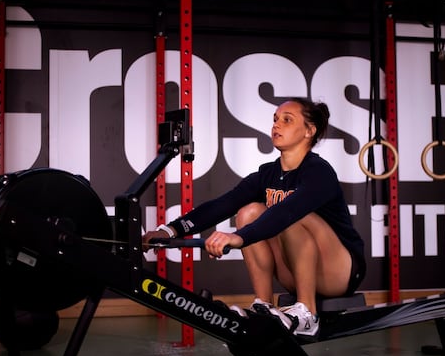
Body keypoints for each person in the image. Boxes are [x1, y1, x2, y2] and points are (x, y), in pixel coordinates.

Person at [143, 97, 366, 339]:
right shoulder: (267, 174)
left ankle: (307, 315)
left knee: (288, 213)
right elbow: (221, 205)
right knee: (248, 212)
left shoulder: (319, 172)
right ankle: (264, 304)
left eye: (287, 120)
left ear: (309, 131)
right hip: (297, 273)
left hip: (339, 273)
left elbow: (287, 212)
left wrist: (239, 238)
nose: (276, 125)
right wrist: (170, 231)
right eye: (275, 120)